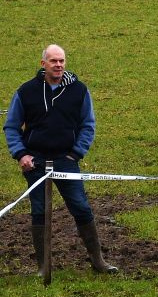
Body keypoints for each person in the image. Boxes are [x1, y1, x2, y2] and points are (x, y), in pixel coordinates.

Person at [4, 44, 117, 275]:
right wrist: (21, 154)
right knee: (39, 211)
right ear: (43, 64)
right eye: (53, 61)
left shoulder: (79, 91)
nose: (58, 65)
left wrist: (75, 153)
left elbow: (88, 125)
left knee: (81, 207)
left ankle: (98, 261)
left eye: (61, 61)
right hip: (35, 162)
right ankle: (43, 266)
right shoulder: (26, 91)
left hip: (66, 160)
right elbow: (12, 126)